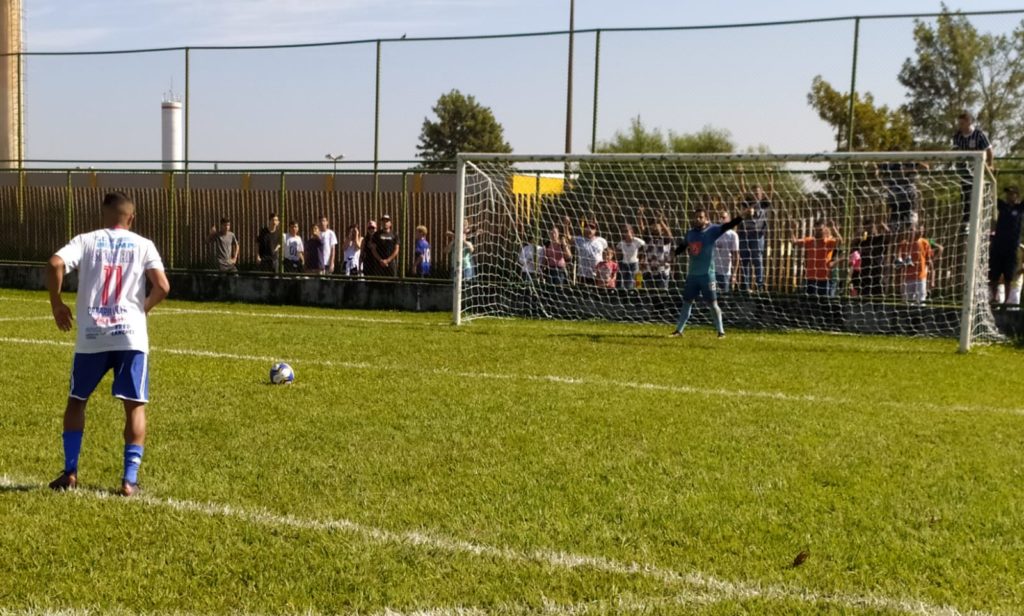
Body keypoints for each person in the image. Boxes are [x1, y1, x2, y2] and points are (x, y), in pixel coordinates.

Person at [45, 191, 170, 497]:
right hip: (130, 336)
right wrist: (142, 309)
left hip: (92, 336)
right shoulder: (144, 244)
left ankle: (70, 472)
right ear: (132, 217)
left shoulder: (86, 240)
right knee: (134, 407)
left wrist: (57, 304)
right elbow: (163, 286)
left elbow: (54, 263)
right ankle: (129, 481)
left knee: (77, 400)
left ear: (103, 215)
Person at [670, 208, 743, 338]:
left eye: (701, 217)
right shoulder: (690, 233)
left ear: (706, 219)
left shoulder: (712, 231)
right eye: (696, 217)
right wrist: (672, 255)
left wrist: (741, 217)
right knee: (687, 302)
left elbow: (728, 225)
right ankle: (679, 331)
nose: (698, 219)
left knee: (713, 304)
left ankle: (721, 332)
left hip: (707, 276)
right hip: (692, 275)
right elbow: (682, 246)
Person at [953, 111, 995, 226]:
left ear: (969, 122)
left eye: (962, 123)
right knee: (966, 192)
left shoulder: (979, 134)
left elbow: (989, 150)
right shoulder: (957, 136)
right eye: (959, 123)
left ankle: (979, 213)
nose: (959, 126)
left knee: (975, 191)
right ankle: (967, 220)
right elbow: (955, 152)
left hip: (978, 167)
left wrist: (990, 164)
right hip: (964, 168)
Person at [990, 185, 1024, 303]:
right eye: (1008, 193)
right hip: (998, 245)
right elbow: (992, 195)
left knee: (1008, 276)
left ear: (1017, 195)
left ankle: (1007, 300)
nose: (1009, 196)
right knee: (994, 274)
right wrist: (993, 175)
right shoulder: (1003, 206)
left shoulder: (1020, 208)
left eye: (1012, 193)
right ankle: (994, 297)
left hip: (1011, 247)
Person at [792, 220, 842, 297]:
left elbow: (840, 241)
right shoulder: (809, 241)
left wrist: (833, 228)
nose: (818, 232)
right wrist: (792, 229)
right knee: (810, 304)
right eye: (816, 230)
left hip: (824, 279)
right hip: (810, 278)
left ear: (824, 230)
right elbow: (794, 242)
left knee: (824, 303)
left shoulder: (828, 242)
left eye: (820, 230)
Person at [736, 193, 770, 292]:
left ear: (761, 194)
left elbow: (770, 194)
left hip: (757, 236)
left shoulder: (763, 204)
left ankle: (760, 285)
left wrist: (770, 181)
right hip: (744, 235)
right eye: (754, 191)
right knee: (745, 260)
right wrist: (748, 212)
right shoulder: (746, 203)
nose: (756, 193)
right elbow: (741, 194)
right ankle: (745, 286)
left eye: (758, 192)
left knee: (757, 259)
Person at [897, 223, 933, 304]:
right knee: (907, 302)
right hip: (907, 278)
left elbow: (929, 261)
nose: (920, 232)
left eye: (922, 230)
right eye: (911, 230)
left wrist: (932, 280)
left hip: (920, 277)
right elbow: (899, 264)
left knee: (920, 302)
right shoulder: (904, 244)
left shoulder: (925, 242)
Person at [566, 217, 607, 286]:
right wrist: (566, 225)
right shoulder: (579, 240)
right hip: (582, 275)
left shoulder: (602, 241)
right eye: (587, 227)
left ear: (595, 230)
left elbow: (607, 254)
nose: (589, 230)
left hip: (597, 276)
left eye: (592, 228)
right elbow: (569, 238)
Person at [712, 210, 740, 294]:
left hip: (725, 272)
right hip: (712, 272)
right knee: (711, 296)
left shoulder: (732, 235)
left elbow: (736, 255)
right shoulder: (713, 233)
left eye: (723, 217)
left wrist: (734, 273)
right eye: (720, 217)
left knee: (724, 297)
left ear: (728, 219)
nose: (721, 219)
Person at [616, 224, 645, 290]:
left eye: (627, 231)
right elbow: (617, 249)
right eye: (624, 231)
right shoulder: (621, 243)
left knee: (637, 281)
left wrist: (642, 257)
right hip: (625, 264)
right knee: (627, 283)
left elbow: (645, 246)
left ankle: (638, 293)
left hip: (634, 263)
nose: (625, 233)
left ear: (631, 232)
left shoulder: (637, 241)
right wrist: (619, 257)